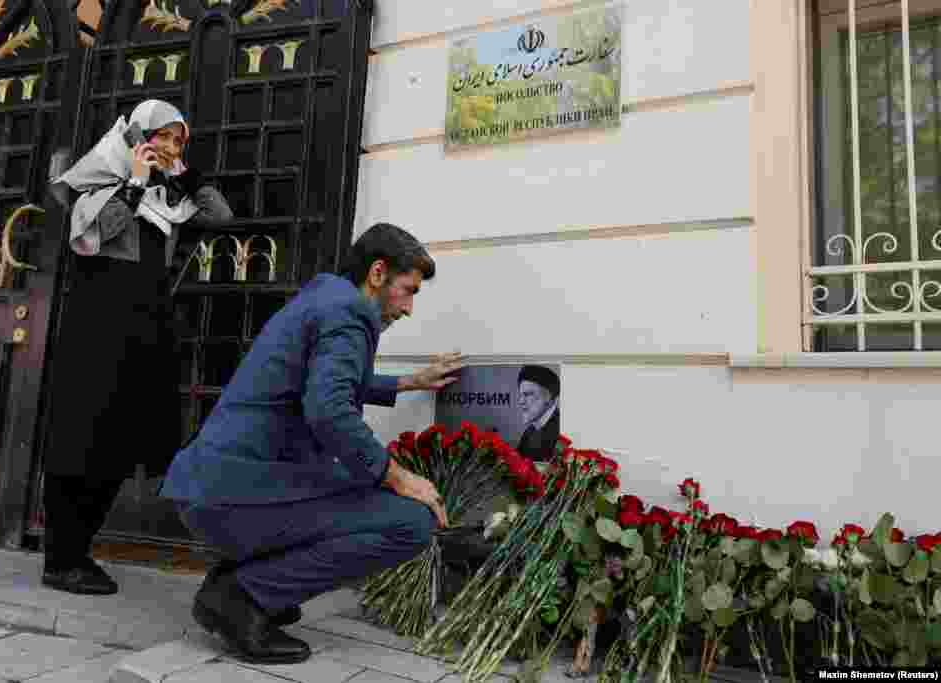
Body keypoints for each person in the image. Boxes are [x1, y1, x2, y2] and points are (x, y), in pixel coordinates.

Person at [158, 223, 463, 664]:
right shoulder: (349, 313)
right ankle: (241, 597)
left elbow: (319, 383)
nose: (409, 308)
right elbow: (329, 411)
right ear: (378, 273)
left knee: (362, 489)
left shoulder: (326, 297)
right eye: (408, 290)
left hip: (216, 489)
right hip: (234, 498)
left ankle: (240, 580)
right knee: (411, 522)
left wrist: (408, 382)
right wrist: (398, 476)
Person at [43, 100, 234, 595]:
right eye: (162, 137)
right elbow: (95, 234)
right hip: (96, 331)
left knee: (120, 442)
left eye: (177, 140)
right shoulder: (98, 185)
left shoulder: (166, 196)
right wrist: (130, 180)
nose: (169, 148)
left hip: (144, 330)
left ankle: (78, 552)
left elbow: (219, 214)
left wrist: (184, 174)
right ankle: (61, 559)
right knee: (80, 438)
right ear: (134, 136)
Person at [515, 365, 560, 463]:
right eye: (521, 395)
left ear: (548, 396)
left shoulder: (560, 432)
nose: (521, 401)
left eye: (528, 394)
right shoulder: (530, 432)